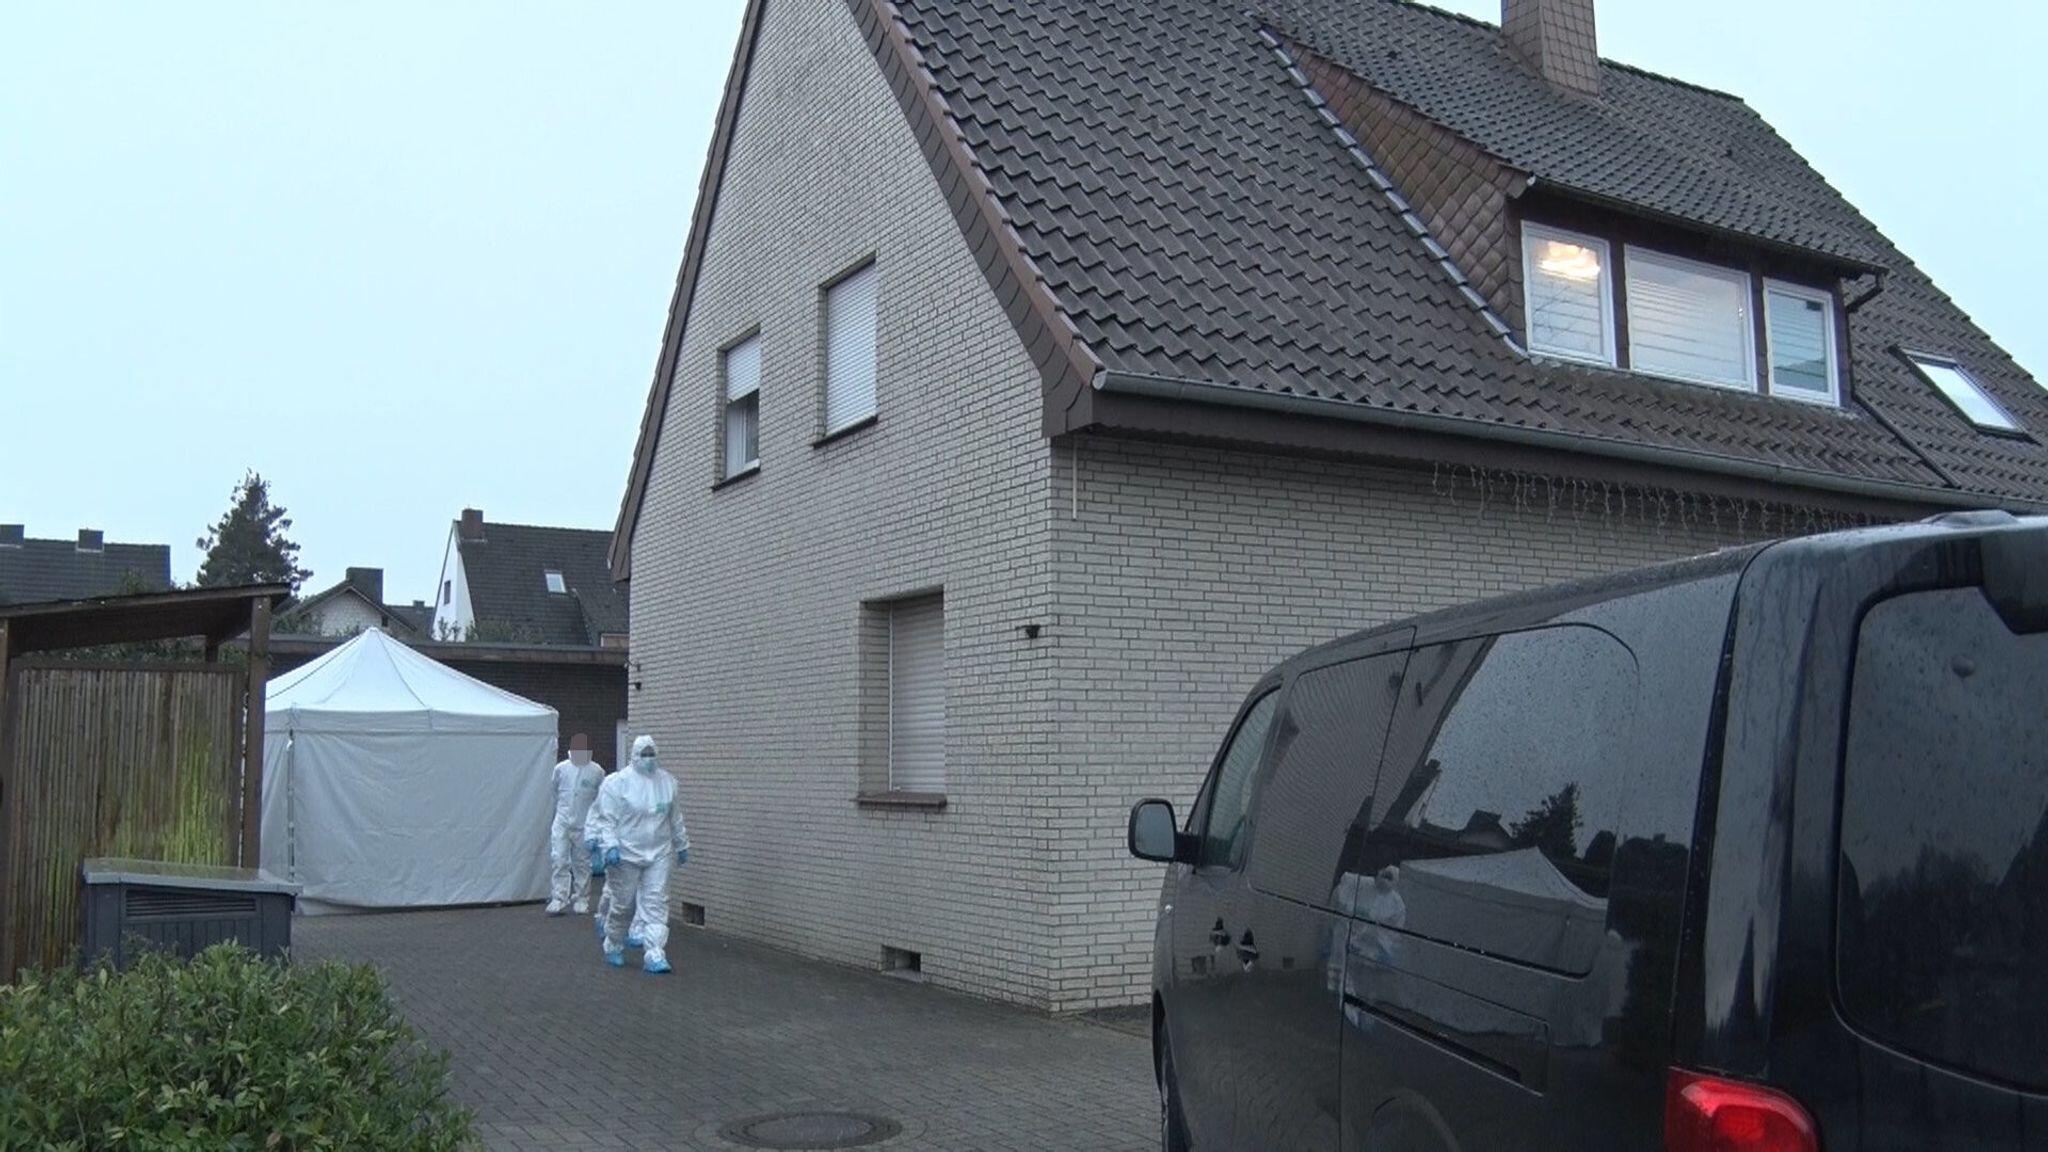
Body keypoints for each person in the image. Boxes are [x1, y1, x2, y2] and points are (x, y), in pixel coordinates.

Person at [591, 734, 690, 973]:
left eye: (651, 754)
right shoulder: (617, 783)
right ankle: (613, 942)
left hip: (659, 853)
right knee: (623, 905)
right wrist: (610, 845)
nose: (648, 759)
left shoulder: (667, 783)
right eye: (643, 754)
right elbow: (606, 819)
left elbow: (675, 818)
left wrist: (682, 844)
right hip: (626, 854)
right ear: (634, 755)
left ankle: (654, 953)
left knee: (656, 903)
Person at [544, 733, 605, 916]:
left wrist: (597, 826)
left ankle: (581, 898)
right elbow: (554, 791)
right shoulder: (561, 769)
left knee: (582, 863)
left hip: (584, 824)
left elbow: (601, 798)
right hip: (563, 822)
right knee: (559, 859)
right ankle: (559, 897)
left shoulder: (596, 771)